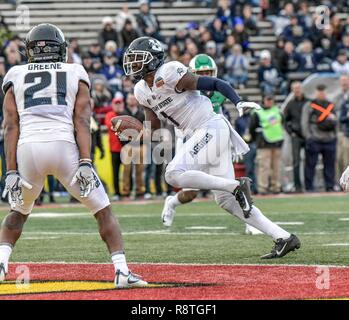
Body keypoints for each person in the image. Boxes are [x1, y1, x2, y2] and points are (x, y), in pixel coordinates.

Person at [120, 36, 301, 259]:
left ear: (153, 60)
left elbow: (215, 84)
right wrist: (134, 133)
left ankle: (236, 185)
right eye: (132, 61)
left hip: (210, 127)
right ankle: (283, 237)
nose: (133, 65)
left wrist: (237, 101)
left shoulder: (169, 73)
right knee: (226, 201)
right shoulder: (141, 90)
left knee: (174, 174)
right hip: (202, 134)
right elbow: (153, 127)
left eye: (138, 60)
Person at [0, 24, 147, 288]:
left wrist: (11, 170)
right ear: (60, 48)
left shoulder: (15, 73)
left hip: (28, 149)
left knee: (18, 212)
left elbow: (11, 125)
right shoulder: (75, 71)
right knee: (103, 210)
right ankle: (122, 271)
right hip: (63, 146)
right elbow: (81, 119)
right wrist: (86, 161)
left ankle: (0, 264)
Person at [301, 84, 337, 192]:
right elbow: (304, 122)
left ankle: (330, 186)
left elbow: (336, 120)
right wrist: (308, 137)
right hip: (315, 139)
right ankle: (309, 187)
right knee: (310, 164)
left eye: (323, 91)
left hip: (329, 139)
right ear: (316, 92)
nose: (321, 94)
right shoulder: (310, 105)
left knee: (330, 165)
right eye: (319, 92)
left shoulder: (331, 105)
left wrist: (334, 135)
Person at [249, 95, 284, 195]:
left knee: (276, 167)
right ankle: (263, 188)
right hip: (263, 143)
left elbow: (282, 122)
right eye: (267, 100)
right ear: (263, 101)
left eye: (271, 99)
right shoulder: (257, 112)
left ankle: (275, 187)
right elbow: (252, 127)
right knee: (264, 167)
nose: (269, 102)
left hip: (277, 142)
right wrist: (256, 139)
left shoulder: (277, 110)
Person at [283, 81, 308, 192]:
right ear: (292, 90)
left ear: (301, 89)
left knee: (309, 161)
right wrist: (291, 133)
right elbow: (284, 121)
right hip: (296, 136)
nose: (297, 90)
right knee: (296, 162)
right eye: (295, 88)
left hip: (308, 136)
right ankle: (298, 186)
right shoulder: (290, 104)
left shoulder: (308, 102)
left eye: (298, 88)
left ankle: (309, 185)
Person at [121, 93, 145, 199]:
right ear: (126, 101)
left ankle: (140, 191)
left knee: (140, 170)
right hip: (127, 145)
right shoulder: (123, 114)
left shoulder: (142, 114)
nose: (131, 101)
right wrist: (124, 144)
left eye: (133, 99)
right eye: (129, 99)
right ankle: (126, 192)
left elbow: (146, 130)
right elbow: (119, 131)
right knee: (126, 170)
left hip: (139, 145)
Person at [105, 97, 124, 201]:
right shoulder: (109, 115)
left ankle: (127, 191)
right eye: (116, 104)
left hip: (126, 148)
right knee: (115, 172)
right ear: (113, 105)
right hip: (114, 148)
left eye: (119, 103)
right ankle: (117, 192)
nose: (118, 105)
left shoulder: (125, 114)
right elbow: (110, 125)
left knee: (127, 171)